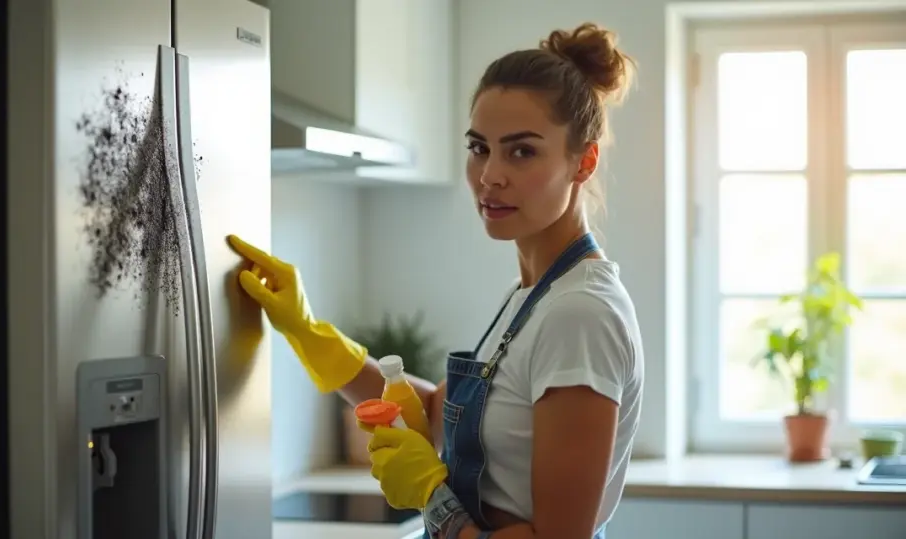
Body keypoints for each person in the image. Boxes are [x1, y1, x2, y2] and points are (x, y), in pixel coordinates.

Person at [228, 21, 643, 539]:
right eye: (479, 147)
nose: (490, 174)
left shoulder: (580, 314)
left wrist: (431, 498)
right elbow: (431, 410)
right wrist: (308, 332)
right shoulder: (533, 299)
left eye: (521, 151)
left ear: (584, 161)